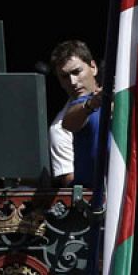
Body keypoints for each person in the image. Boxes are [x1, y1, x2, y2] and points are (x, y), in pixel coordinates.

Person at [47, 40, 103, 189]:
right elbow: (72, 187)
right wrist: (91, 105)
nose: (73, 81)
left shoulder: (123, 96)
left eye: (77, 72)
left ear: (93, 67)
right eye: (65, 77)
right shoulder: (59, 128)